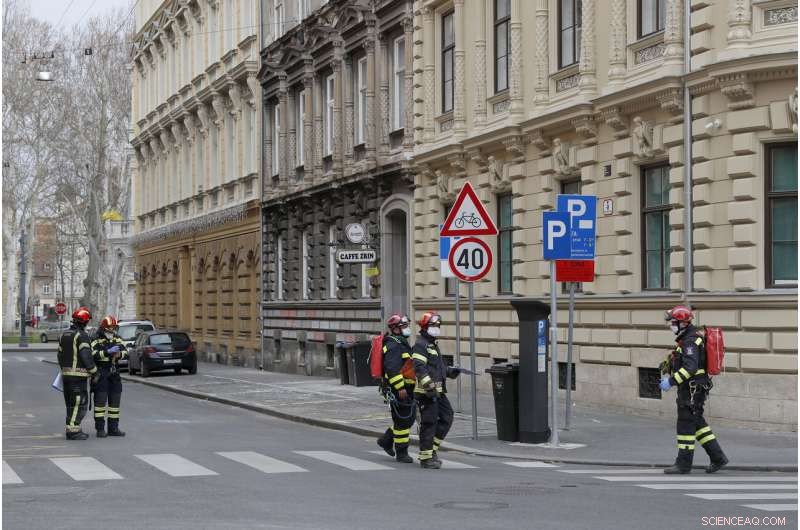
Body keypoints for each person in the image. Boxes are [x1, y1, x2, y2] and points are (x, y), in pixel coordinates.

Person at [660, 305, 728, 474]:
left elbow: (690, 368)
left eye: (673, 323)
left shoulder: (690, 340)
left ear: (682, 323)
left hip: (691, 390)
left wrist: (671, 381)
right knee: (697, 423)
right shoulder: (688, 338)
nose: (671, 326)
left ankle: (683, 465)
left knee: (685, 426)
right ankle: (718, 458)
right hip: (695, 388)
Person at [412, 312, 461, 469]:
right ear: (425, 327)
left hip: (438, 392)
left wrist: (450, 371)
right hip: (426, 393)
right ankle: (426, 458)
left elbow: (437, 368)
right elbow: (419, 368)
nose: (437, 328)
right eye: (433, 325)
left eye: (438, 325)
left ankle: (431, 450)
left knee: (447, 417)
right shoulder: (421, 345)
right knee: (429, 423)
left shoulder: (432, 344)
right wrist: (429, 386)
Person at [376, 314, 416, 464]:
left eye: (407, 326)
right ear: (396, 329)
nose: (407, 328)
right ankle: (401, 453)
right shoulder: (393, 345)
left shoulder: (401, 342)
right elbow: (392, 369)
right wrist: (400, 387)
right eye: (404, 326)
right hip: (398, 389)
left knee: (406, 419)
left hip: (406, 387)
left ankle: (386, 440)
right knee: (403, 421)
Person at [57, 307, 99, 440]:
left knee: (70, 404)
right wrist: (94, 372)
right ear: (84, 322)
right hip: (78, 377)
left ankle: (73, 428)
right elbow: (86, 356)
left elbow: (59, 355)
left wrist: (65, 369)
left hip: (66, 376)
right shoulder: (82, 336)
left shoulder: (64, 335)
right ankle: (73, 431)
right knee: (79, 403)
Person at [90, 315, 127, 438]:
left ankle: (113, 428)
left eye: (114, 327)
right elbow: (93, 354)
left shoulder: (117, 338)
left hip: (114, 373)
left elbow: (125, 351)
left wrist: (119, 354)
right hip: (101, 373)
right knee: (100, 403)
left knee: (115, 404)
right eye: (110, 327)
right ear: (104, 327)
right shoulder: (95, 339)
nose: (112, 330)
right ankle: (100, 429)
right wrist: (107, 352)